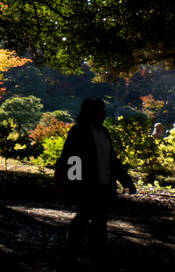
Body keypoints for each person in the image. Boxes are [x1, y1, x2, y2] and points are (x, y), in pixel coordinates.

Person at [53, 98, 135, 252]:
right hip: (87, 183)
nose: (103, 113)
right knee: (85, 215)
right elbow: (72, 159)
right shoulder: (79, 131)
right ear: (92, 112)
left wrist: (126, 180)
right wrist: (73, 183)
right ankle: (76, 247)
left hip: (104, 183)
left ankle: (94, 248)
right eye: (101, 110)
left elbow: (112, 159)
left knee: (99, 217)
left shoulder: (103, 132)